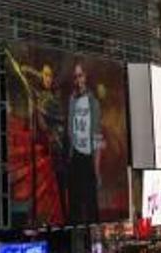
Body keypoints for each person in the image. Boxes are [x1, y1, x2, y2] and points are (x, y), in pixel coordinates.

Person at [66, 61, 102, 224]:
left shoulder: (93, 102)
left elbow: (97, 136)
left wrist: (96, 167)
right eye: (75, 77)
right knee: (74, 204)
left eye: (80, 75)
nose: (77, 80)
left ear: (86, 77)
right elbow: (70, 127)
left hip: (88, 156)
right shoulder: (72, 100)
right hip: (75, 155)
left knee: (90, 204)